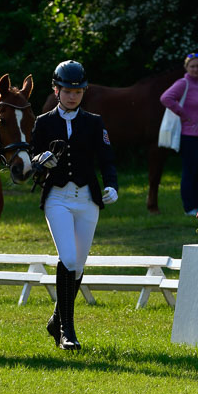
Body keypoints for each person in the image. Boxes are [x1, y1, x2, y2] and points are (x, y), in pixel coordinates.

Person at [30, 60, 118, 351]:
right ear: (56, 90)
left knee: (78, 267)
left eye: (77, 91)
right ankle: (67, 331)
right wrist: (39, 162)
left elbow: (106, 158)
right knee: (67, 259)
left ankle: (57, 319)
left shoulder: (94, 122)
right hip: (57, 199)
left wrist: (111, 185)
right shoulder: (43, 123)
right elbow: (29, 162)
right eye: (67, 90)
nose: (72, 96)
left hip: (87, 200)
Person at [159, 52, 198, 216]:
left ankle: (197, 206)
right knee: (190, 171)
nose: (195, 69)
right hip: (190, 135)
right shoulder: (183, 83)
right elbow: (166, 98)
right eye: (192, 66)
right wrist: (184, 115)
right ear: (186, 67)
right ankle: (188, 207)